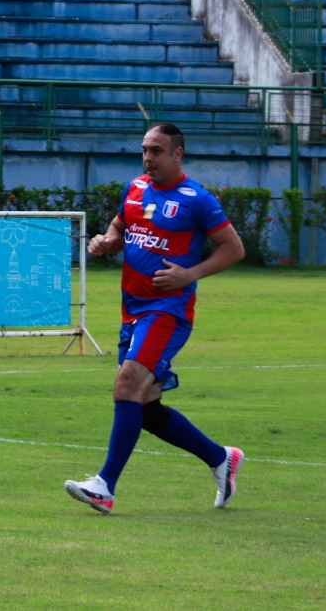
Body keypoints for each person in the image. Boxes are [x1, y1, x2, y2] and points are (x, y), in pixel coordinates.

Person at [64, 123, 245, 514]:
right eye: (145, 150)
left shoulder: (197, 199)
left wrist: (188, 274)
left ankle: (104, 487)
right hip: (132, 309)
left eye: (157, 151)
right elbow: (119, 227)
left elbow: (234, 248)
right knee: (144, 408)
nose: (148, 158)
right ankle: (220, 458)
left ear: (178, 153)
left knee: (126, 384)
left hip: (167, 312)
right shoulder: (135, 188)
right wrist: (106, 241)